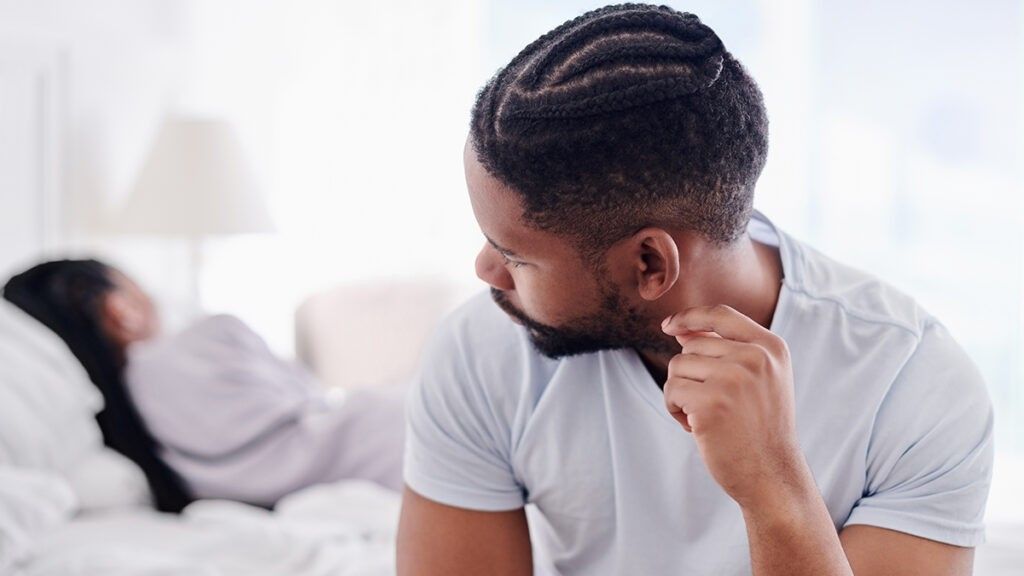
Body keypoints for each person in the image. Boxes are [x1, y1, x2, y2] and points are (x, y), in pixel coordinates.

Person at [397, 5, 993, 576]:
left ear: (651, 263)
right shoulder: (478, 352)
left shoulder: (912, 385)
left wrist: (773, 490)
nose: (485, 271)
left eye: (514, 256)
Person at [3, 259, 405, 509]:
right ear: (120, 312)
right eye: (143, 293)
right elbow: (312, 398)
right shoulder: (202, 341)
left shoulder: (128, 435)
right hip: (397, 438)